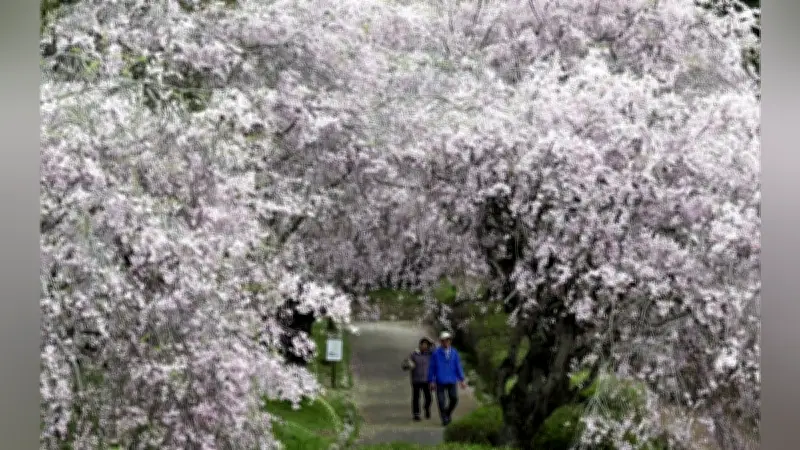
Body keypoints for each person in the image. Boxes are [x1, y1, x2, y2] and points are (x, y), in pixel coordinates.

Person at [427, 331, 466, 426]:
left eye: (448, 340)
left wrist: (461, 379)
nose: (446, 342)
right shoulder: (436, 353)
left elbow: (458, 366)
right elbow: (432, 367)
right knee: (441, 401)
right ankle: (444, 418)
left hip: (452, 379)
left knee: (454, 398)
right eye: (444, 340)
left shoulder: (454, 352)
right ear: (441, 342)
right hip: (440, 380)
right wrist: (431, 380)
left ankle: (447, 413)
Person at [401, 336, 434, 421]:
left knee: (428, 398)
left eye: (427, 345)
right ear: (420, 345)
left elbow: (436, 350)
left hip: (426, 379)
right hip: (416, 379)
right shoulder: (414, 354)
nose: (425, 346)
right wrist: (409, 364)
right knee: (416, 397)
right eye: (424, 344)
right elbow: (404, 365)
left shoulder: (430, 354)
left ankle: (426, 408)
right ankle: (416, 414)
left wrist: (432, 343)